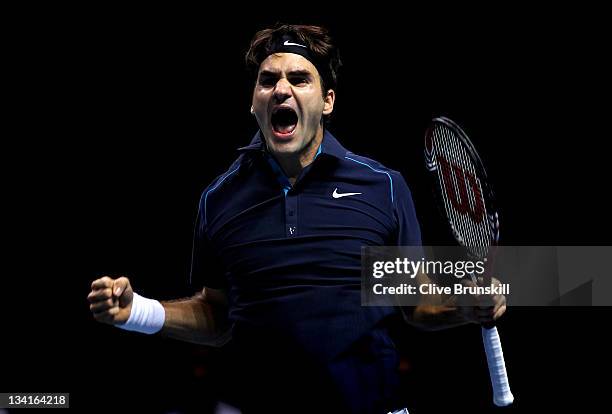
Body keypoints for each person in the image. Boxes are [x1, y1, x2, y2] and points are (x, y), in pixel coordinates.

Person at [87, 24, 506, 413]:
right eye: (267, 80)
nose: (280, 90)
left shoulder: (383, 186)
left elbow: (413, 302)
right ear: (253, 101)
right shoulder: (219, 199)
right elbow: (218, 315)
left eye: (299, 79)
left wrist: (464, 308)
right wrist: (137, 311)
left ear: (327, 101)